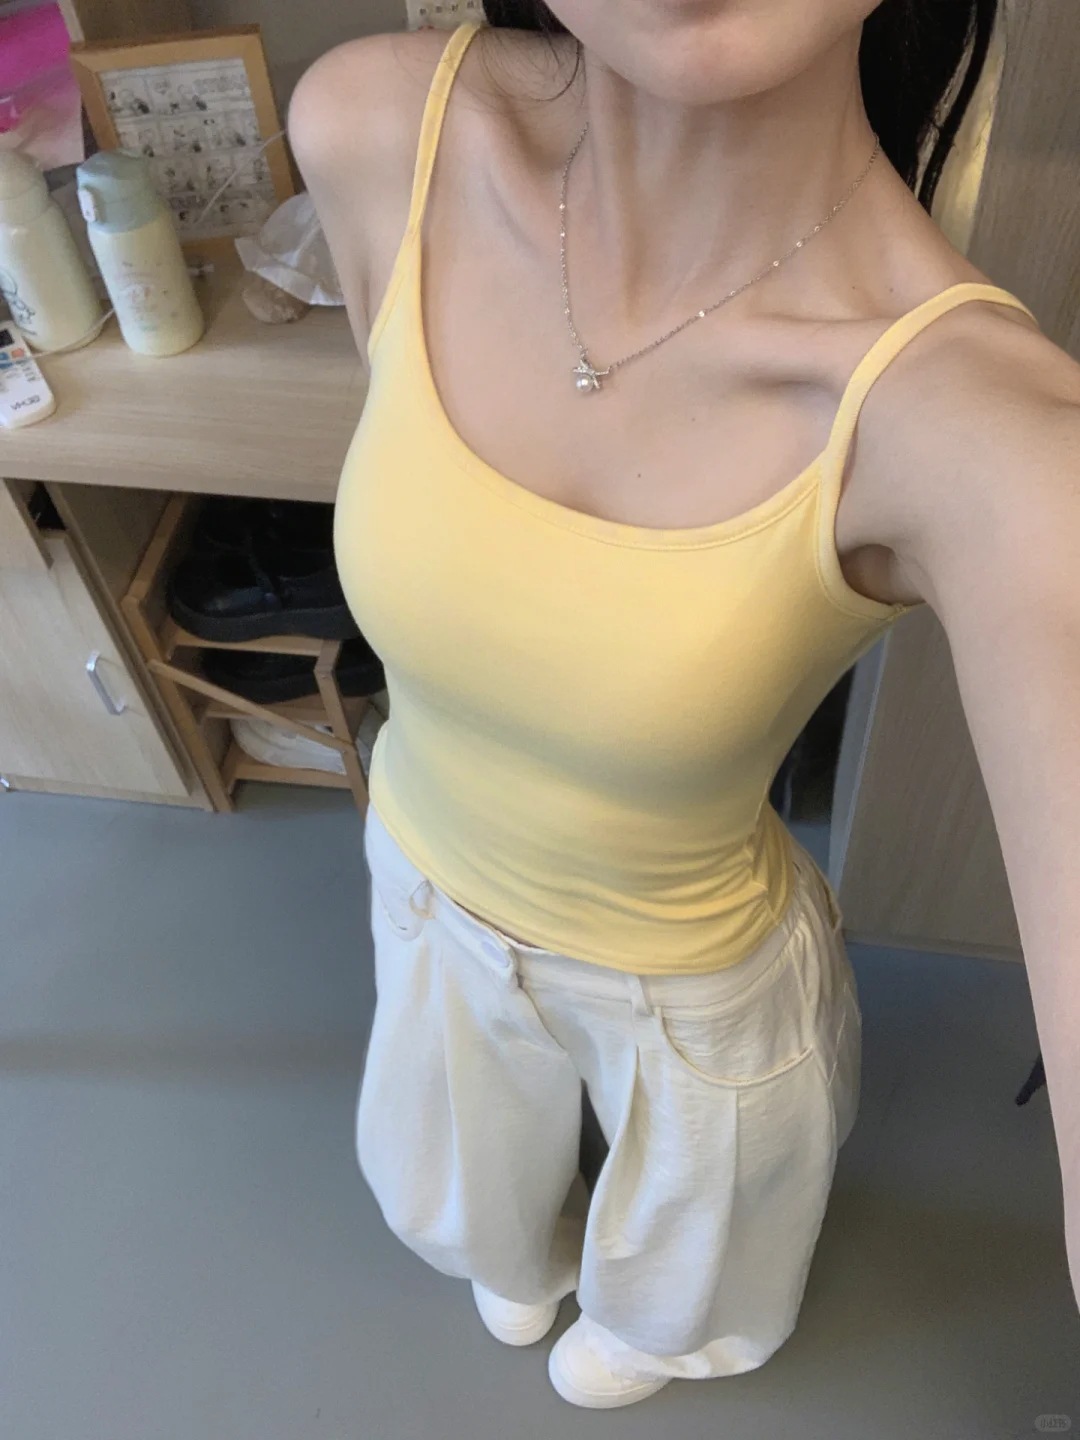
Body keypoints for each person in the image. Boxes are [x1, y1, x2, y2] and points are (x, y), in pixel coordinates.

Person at [288, 1, 1080, 1410]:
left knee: (684, 1275)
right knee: (462, 1198)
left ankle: (667, 1328)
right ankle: (520, 1241)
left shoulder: (983, 428)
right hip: (420, 882)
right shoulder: (375, 128)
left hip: (685, 983)